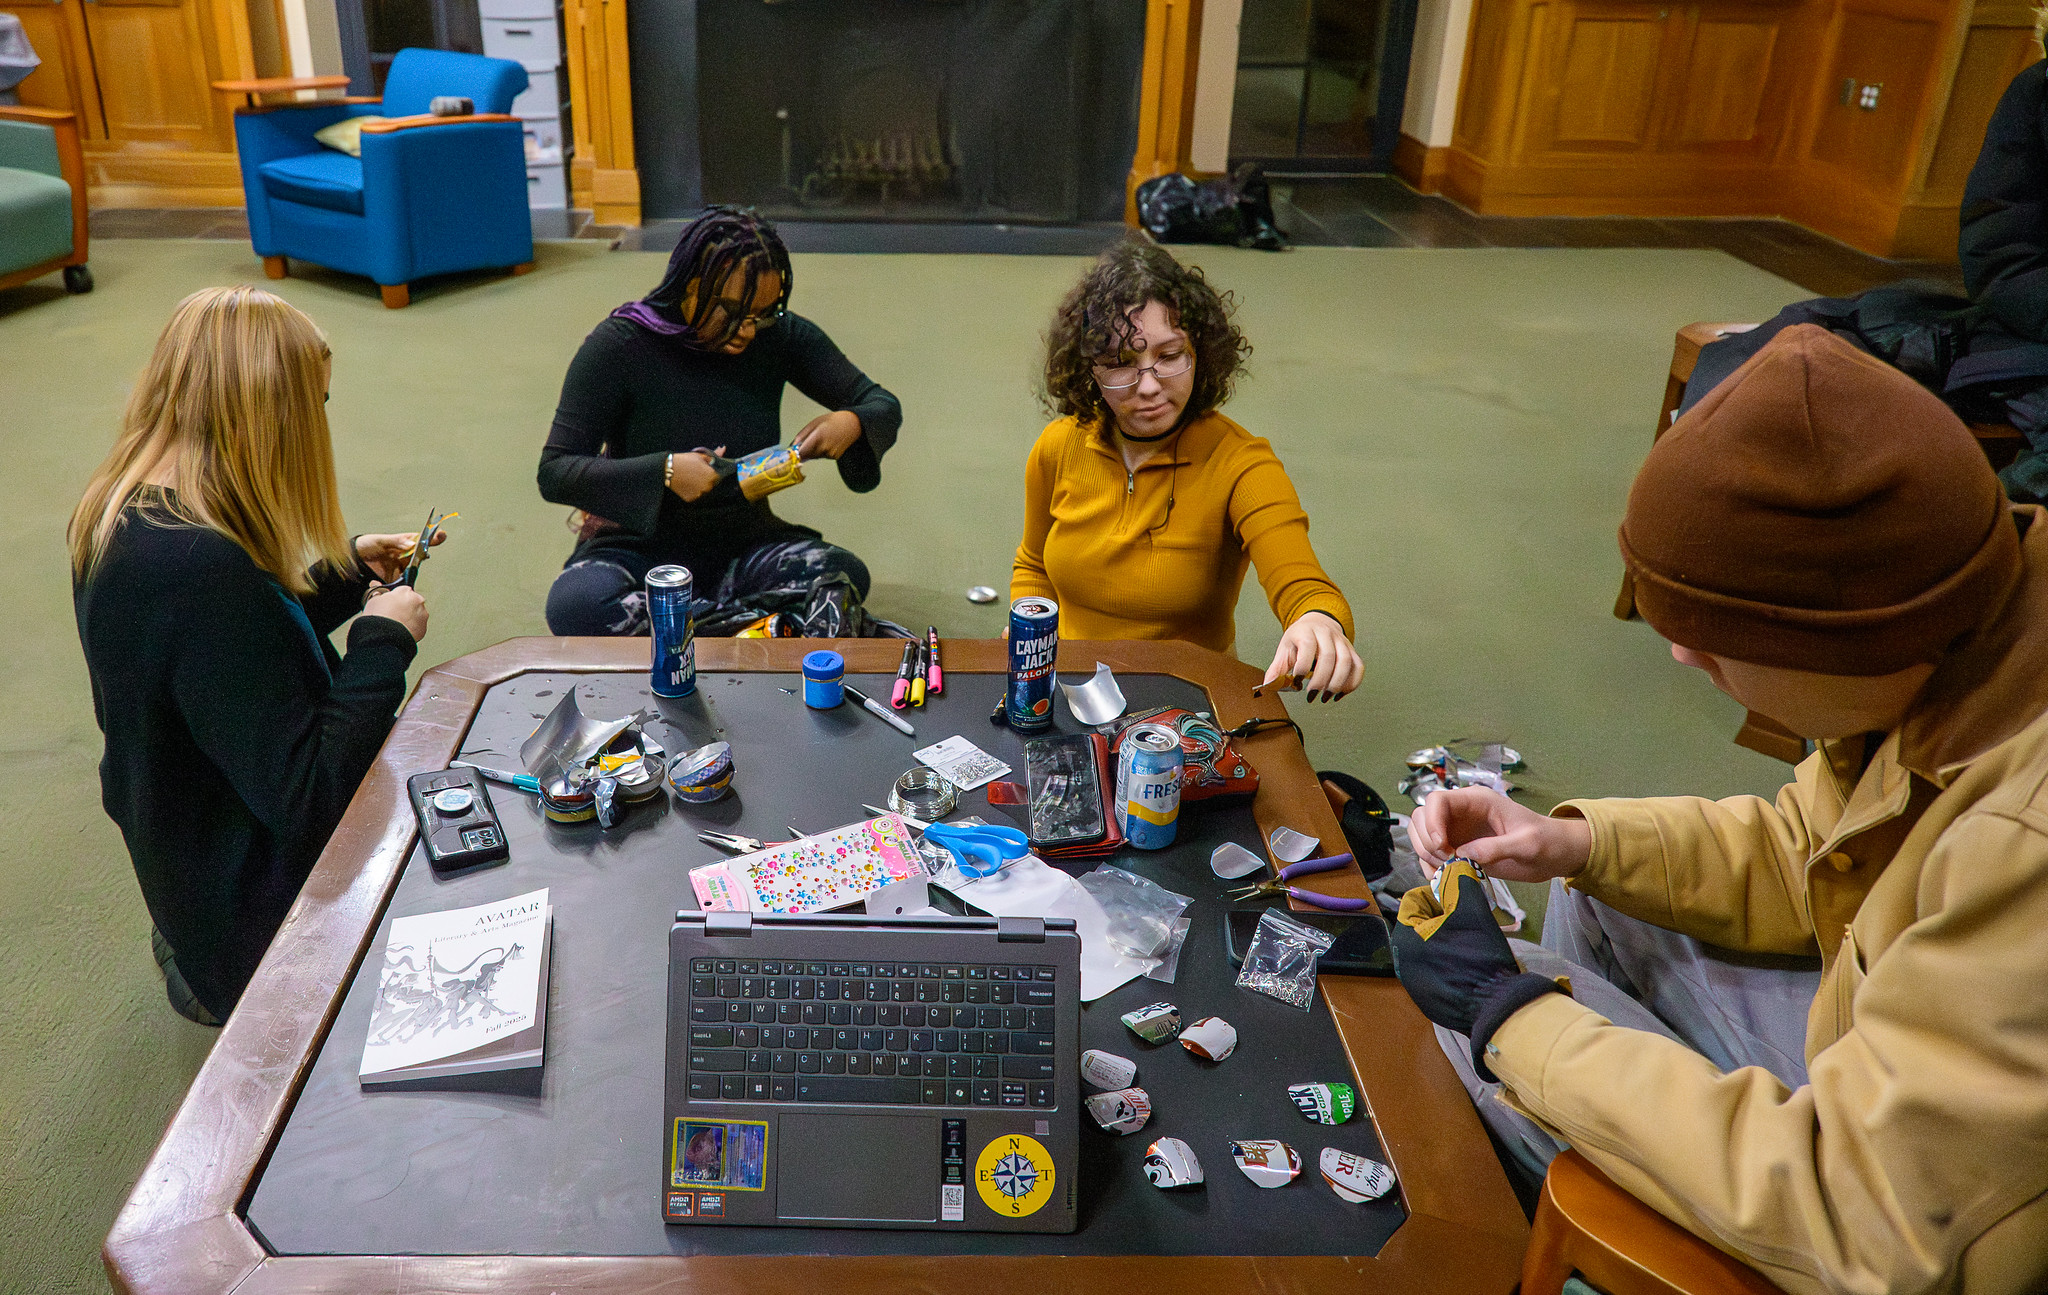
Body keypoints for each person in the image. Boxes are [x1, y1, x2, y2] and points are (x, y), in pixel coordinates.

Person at [1392, 325, 2048, 1295]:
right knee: (1601, 883)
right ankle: (1615, 1145)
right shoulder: (1958, 629)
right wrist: (1574, 838)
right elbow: (1815, 854)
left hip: (1884, 1220)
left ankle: (1595, 1225)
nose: (1682, 659)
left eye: (1710, 635)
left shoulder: (2020, 840)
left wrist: (1508, 1020)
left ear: (1841, 642)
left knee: (1478, 1011)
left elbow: (1869, 1218)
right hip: (1886, 1079)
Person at [70, 286, 435, 1026]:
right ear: (274, 412)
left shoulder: (124, 512)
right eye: (318, 404)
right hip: (253, 926)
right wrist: (383, 640)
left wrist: (347, 572)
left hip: (187, 856)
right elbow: (312, 799)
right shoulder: (200, 569)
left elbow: (232, 661)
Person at [1013, 241, 1362, 700]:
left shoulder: (1240, 462)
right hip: (1071, 689)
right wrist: (1029, 639)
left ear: (1200, 351)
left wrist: (1318, 621)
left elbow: (1303, 585)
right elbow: (1033, 565)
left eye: (1170, 355)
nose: (1150, 386)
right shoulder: (1058, 447)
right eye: (1120, 363)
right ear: (1089, 371)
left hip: (1185, 704)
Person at [539, 206, 901, 636]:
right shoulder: (619, 345)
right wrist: (667, 471)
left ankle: (702, 625)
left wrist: (853, 422)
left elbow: (879, 402)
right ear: (691, 286)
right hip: (639, 549)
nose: (747, 330)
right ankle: (765, 628)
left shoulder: (776, 335)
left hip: (743, 544)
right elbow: (555, 471)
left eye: (761, 314)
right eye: (732, 311)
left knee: (843, 571)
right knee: (576, 603)